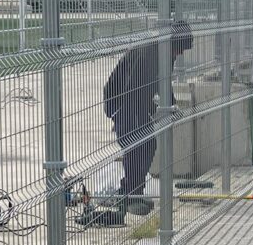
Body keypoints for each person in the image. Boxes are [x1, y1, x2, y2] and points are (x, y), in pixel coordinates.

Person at [78, 20, 194, 227]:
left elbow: (163, 81)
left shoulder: (165, 52)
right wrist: (126, 118)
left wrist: (171, 105)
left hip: (138, 103)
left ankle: (133, 192)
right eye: (178, 50)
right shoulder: (147, 53)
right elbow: (132, 89)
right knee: (135, 147)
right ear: (172, 43)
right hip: (124, 100)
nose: (178, 55)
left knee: (148, 145)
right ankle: (130, 197)